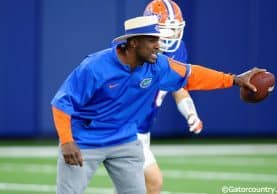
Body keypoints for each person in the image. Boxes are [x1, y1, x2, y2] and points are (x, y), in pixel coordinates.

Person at [51, 15, 264, 194]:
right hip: (84, 141)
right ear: (134, 42)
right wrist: (67, 141)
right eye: (153, 40)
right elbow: (62, 102)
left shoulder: (158, 65)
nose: (158, 45)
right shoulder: (95, 67)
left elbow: (192, 75)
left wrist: (234, 79)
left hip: (124, 140)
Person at [139, 1, 202, 193]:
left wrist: (191, 113)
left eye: (175, 29)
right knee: (153, 181)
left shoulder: (177, 50)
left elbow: (177, 86)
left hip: (142, 128)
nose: (172, 35)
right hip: (124, 126)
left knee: (133, 187)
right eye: (167, 30)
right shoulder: (138, 51)